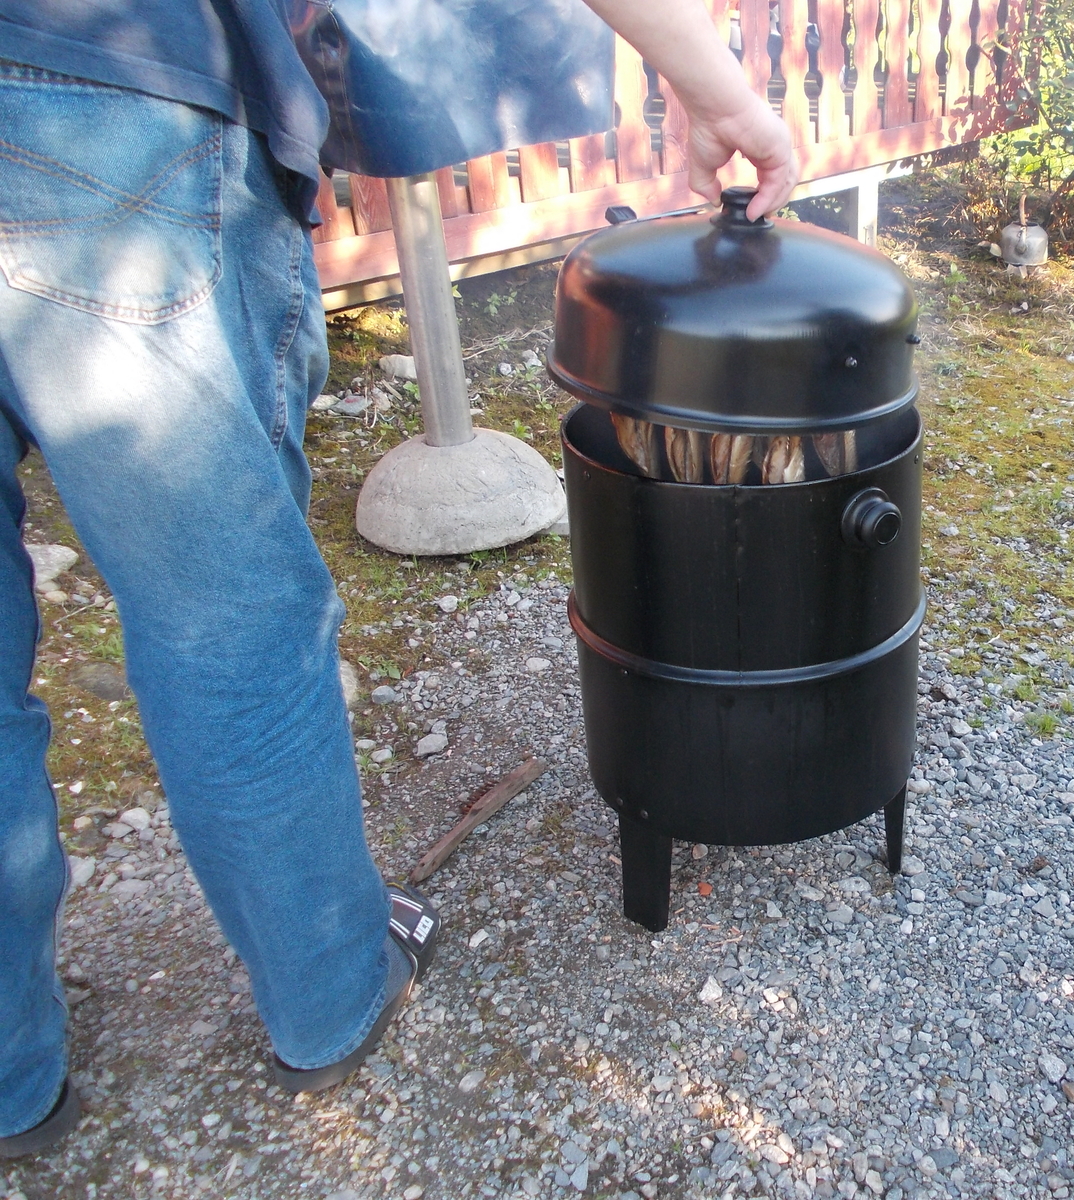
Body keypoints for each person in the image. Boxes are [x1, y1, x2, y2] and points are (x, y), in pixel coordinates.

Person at [0, 0, 797, 1158]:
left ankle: (10, 1069)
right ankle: (329, 995)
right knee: (222, 616)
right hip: (102, 98)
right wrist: (712, 83)